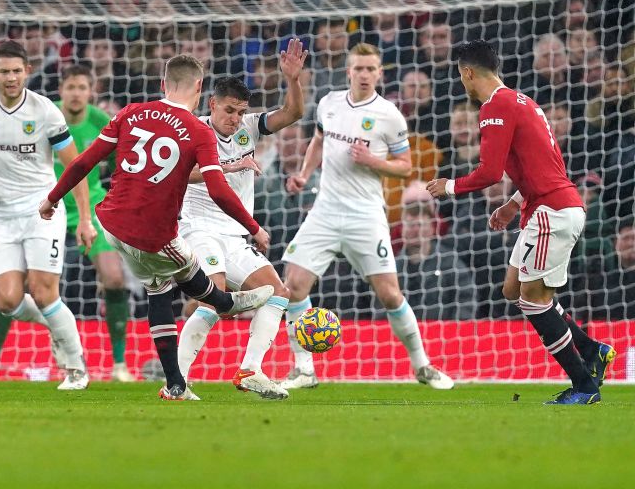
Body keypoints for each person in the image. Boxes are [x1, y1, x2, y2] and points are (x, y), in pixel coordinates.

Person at [41, 54, 275, 400]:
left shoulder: (129, 113)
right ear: (199, 88)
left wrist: (52, 198)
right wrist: (253, 226)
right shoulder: (198, 130)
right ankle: (225, 303)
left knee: (158, 289)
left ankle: (176, 384)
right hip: (150, 234)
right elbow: (217, 190)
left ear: (164, 85)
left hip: (111, 223)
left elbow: (83, 162)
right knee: (187, 268)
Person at [426, 40, 615, 404]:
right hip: (547, 207)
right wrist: (514, 204)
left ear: (467, 73)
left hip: (552, 212)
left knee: (533, 300)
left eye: (460, 75)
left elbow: (489, 172)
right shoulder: (524, 102)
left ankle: (584, 385)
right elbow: (545, 164)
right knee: (513, 290)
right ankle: (592, 350)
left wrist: (448, 186)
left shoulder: (494, 106)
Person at [281, 43, 454, 390]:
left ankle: (423, 366)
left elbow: (406, 168)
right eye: (358, 68)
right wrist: (303, 173)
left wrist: (373, 161)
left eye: (370, 69)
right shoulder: (328, 103)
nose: (363, 74)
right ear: (348, 71)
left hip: (366, 215)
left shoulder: (390, 115)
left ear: (379, 73)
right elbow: (318, 142)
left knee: (390, 294)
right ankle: (304, 369)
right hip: (326, 211)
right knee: (293, 286)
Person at [0, 64, 135, 383]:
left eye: (82, 88)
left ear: (91, 92)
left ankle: (119, 366)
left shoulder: (103, 123)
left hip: (90, 206)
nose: (76, 93)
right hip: (43, 206)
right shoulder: (43, 114)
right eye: (70, 87)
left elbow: (121, 167)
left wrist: (113, 204)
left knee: (114, 278)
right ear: (61, 90)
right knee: (16, 284)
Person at [0, 41, 94, 391]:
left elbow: (74, 167)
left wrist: (86, 219)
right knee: (6, 301)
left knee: (45, 291)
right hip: (1, 216)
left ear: (27, 71)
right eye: (4, 71)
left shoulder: (45, 111)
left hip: (42, 210)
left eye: (17, 70)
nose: (12, 77)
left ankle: (76, 368)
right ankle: (57, 325)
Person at [176, 38, 306, 400]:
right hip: (198, 227)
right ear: (212, 104)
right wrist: (229, 165)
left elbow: (293, 114)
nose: (234, 119)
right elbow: (176, 174)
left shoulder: (250, 126)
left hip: (234, 236)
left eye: (239, 112)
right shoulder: (192, 130)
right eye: (228, 111)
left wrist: (293, 80)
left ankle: (251, 370)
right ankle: (177, 382)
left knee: (277, 293)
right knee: (213, 297)